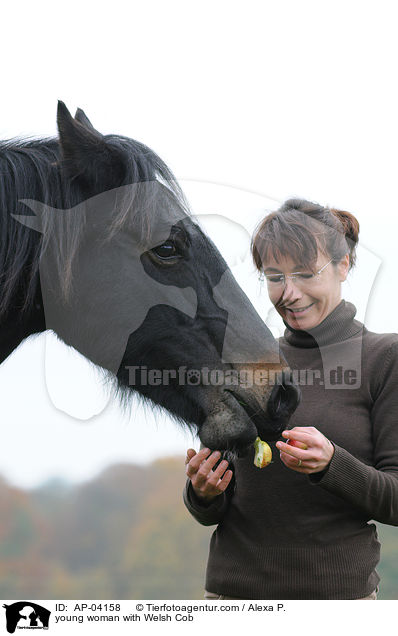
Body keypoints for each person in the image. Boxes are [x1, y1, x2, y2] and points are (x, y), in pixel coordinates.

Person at [183, 198, 398, 600]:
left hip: (339, 607)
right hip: (233, 602)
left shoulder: (385, 359)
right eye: (274, 277)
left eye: (304, 274)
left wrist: (333, 464)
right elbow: (211, 509)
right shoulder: (242, 360)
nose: (290, 293)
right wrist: (202, 491)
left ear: (343, 265)